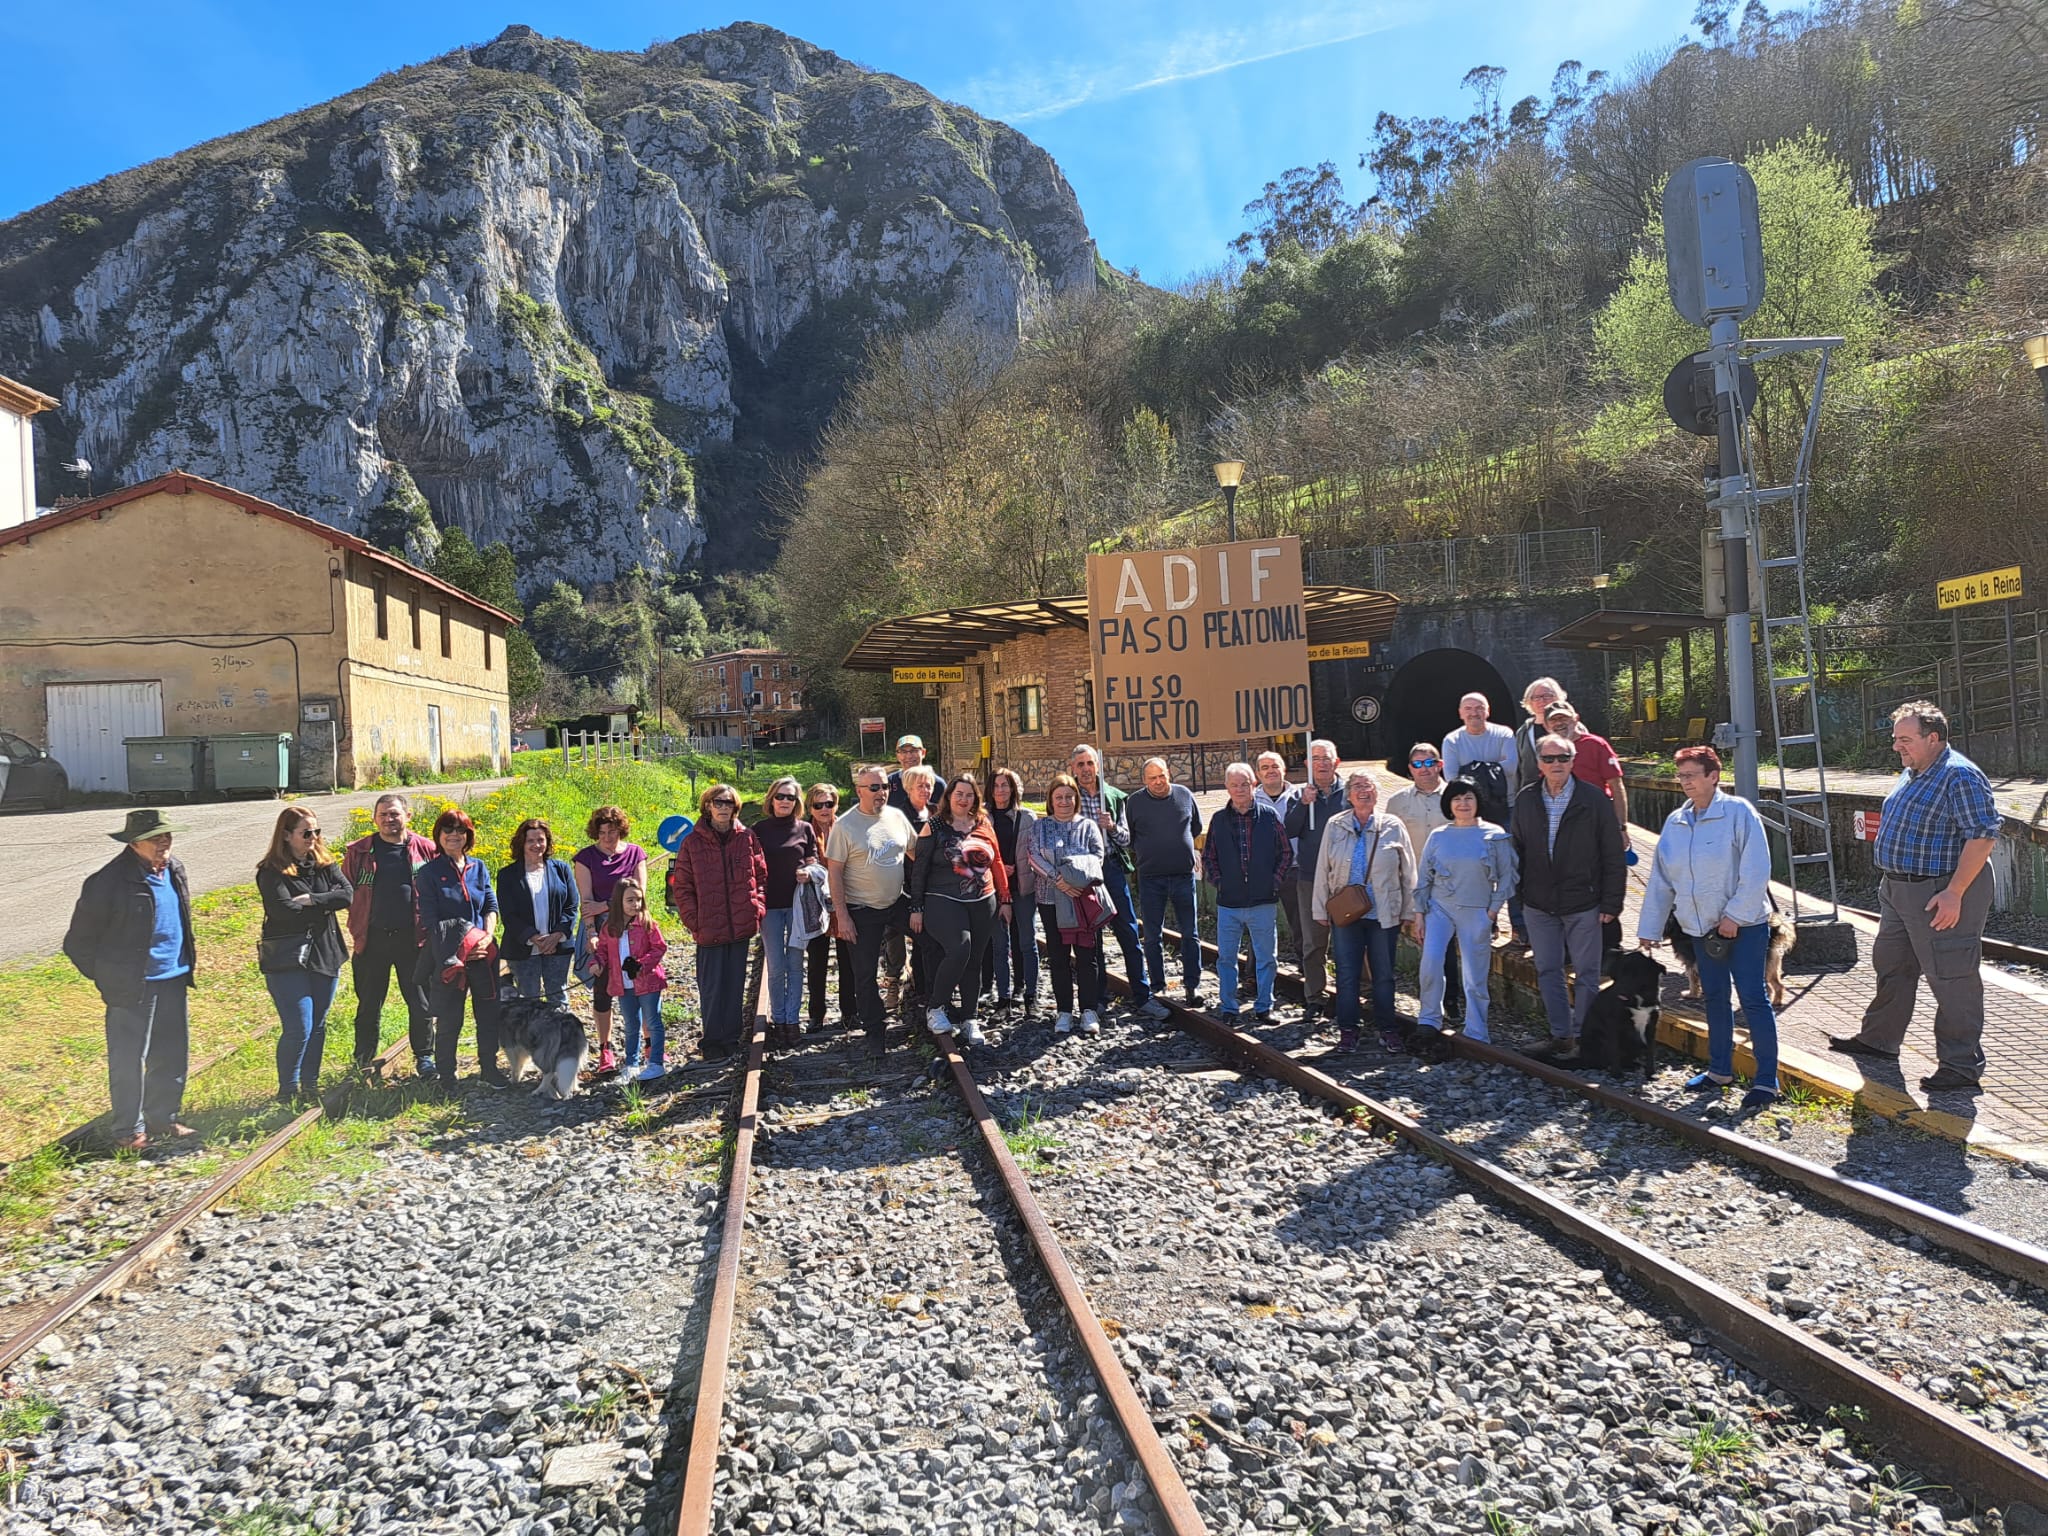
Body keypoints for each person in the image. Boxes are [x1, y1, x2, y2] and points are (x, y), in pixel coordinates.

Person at [1829, 700, 2002, 1091]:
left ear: (1934, 738)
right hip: (1899, 888)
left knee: (1952, 977)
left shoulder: (1960, 776)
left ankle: (1960, 1067)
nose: (1897, 747)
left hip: (1941, 890)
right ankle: (1879, 1041)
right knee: (1892, 965)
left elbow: (1983, 835)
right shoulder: (1915, 770)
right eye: (1896, 739)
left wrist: (1955, 893)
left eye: (1905, 739)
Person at [1637, 746, 1779, 1109]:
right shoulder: (1675, 822)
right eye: (1680, 775)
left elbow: (1756, 869)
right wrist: (1649, 927)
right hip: (1699, 928)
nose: (1684, 782)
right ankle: (1719, 1070)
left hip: (1744, 925)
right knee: (1714, 998)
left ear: (1713, 776)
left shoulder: (1738, 813)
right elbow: (1661, 880)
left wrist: (1734, 916)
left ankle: (1766, 1081)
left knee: (1752, 999)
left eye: (1691, 775)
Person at [63, 810, 198, 1150]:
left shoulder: (174, 869)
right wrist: (110, 978)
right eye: (157, 837)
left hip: (173, 977)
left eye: (167, 835)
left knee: (171, 1052)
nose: (164, 842)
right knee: (128, 1058)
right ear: (135, 843)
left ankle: (162, 1117)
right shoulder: (108, 882)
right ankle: (127, 1131)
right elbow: (77, 944)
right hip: (132, 985)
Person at [1510, 732, 1626, 1053]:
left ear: (1573, 762)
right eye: (1549, 758)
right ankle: (1561, 1035)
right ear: (1539, 764)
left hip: (1584, 901)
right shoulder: (1526, 799)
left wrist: (1611, 902)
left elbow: (1613, 855)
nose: (1556, 764)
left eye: (1563, 758)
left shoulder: (1594, 800)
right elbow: (1516, 851)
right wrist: (1520, 897)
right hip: (1538, 903)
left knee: (1587, 973)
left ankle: (1586, 1038)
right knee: (1548, 969)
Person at [1310, 772, 1417, 1051]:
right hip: (1346, 914)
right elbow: (1323, 868)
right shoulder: (1336, 825)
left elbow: (1409, 872)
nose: (1363, 791)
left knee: (1383, 974)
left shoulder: (1393, 825)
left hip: (1383, 912)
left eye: (1368, 786)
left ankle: (1387, 1028)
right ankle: (1348, 1030)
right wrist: (1319, 907)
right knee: (1347, 973)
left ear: (1377, 793)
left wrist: (1411, 909)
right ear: (1348, 794)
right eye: (1357, 787)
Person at [255, 807, 353, 1105]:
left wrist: (312, 899)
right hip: (287, 957)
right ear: (286, 835)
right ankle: (288, 1089)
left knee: (318, 1023)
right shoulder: (270, 871)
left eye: (316, 832)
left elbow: (347, 894)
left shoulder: (324, 863)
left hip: (325, 952)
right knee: (299, 1026)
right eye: (306, 833)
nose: (313, 838)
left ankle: (310, 1085)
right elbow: (283, 912)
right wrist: (326, 904)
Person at [1412, 779, 1518, 1050]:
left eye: (1468, 798)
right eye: (1457, 799)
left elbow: (1508, 877)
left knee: (1474, 974)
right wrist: (1420, 914)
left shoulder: (1495, 834)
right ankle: (1429, 1019)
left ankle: (1476, 1030)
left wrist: (1493, 912)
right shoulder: (1438, 836)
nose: (1463, 804)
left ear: (1478, 801)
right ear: (1449, 804)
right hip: (1439, 909)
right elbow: (1424, 877)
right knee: (1431, 962)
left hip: (1477, 910)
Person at [909, 774, 1013, 1047]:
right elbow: (918, 869)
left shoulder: (983, 823)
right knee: (960, 948)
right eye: (959, 794)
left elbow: (997, 861)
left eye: (969, 795)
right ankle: (936, 1007)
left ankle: (970, 1018)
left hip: (983, 900)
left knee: (975, 960)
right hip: (943, 898)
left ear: (975, 798)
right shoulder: (934, 826)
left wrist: (1005, 899)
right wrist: (916, 907)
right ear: (949, 797)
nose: (964, 799)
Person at [670, 783, 768, 1061]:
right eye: (718, 802)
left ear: (735, 807)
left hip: (739, 925)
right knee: (712, 986)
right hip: (708, 927)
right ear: (708, 806)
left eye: (728, 803)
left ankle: (732, 1038)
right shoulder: (693, 842)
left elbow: (761, 876)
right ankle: (712, 1041)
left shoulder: (746, 838)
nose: (723, 808)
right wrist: (693, 921)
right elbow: (682, 886)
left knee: (735, 984)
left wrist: (756, 909)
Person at [342, 793, 436, 1076]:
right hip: (373, 939)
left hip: (413, 939)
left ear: (408, 816)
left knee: (420, 1002)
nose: (388, 819)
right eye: (382, 814)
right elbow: (344, 889)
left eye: (394, 814)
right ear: (375, 819)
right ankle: (363, 1058)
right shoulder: (359, 851)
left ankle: (425, 1057)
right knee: (369, 1002)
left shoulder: (426, 848)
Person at [827, 767, 917, 1056]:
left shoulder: (897, 817)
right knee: (864, 973)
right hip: (861, 908)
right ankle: (875, 1031)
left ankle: (924, 1002)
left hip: (896, 902)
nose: (881, 793)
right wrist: (842, 916)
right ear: (859, 791)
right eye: (874, 788)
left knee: (934, 940)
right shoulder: (845, 826)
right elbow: (835, 873)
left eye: (884, 787)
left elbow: (918, 853)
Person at [414, 808, 502, 1089]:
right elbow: (430, 919)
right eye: (448, 830)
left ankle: (489, 1068)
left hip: (483, 953)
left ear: (468, 836)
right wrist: (465, 946)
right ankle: (447, 1076)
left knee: (488, 1013)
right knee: (450, 1017)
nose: (454, 835)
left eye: (460, 830)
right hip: (448, 955)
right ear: (438, 836)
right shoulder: (428, 873)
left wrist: (487, 936)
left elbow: (490, 904)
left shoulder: (479, 867)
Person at [1202, 763, 1294, 1024]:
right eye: (1235, 785)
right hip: (1229, 904)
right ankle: (1229, 1007)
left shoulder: (1268, 816)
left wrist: (1273, 882)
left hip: (1262, 901)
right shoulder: (1219, 819)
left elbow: (1286, 853)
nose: (1240, 789)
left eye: (1245, 784)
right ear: (1227, 788)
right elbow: (1209, 857)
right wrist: (1219, 882)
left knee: (1267, 958)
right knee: (1226, 959)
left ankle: (1265, 1006)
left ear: (1254, 785)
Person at [1070, 744, 1155, 1015]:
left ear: (1097, 765)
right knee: (1092, 938)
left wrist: (1112, 827)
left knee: (1128, 932)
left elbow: (1128, 839)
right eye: (1080, 765)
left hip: (1112, 869)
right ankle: (1099, 998)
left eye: (1089, 763)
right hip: (1086, 874)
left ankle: (1143, 995)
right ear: (1073, 768)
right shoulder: (1069, 796)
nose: (1085, 769)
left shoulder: (1114, 796)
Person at [1028, 773, 1109, 1035]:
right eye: (1059, 797)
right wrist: (1058, 880)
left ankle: (1088, 1010)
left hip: (1083, 900)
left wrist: (1079, 883)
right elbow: (1033, 856)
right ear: (1051, 800)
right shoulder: (1040, 827)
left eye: (1069, 796)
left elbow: (1098, 855)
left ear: (1076, 798)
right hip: (1051, 899)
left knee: (1087, 956)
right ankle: (1064, 1010)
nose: (1064, 801)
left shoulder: (1088, 826)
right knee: (1059, 956)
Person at [1386, 741, 1461, 1021]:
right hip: (1416, 885)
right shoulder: (1397, 802)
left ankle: (1451, 1000)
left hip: (1453, 883)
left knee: (1450, 945)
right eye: (1418, 764)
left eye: (1430, 763)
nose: (1424, 769)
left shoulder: (1457, 796)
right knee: (1428, 945)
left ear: (1440, 765)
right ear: (1410, 769)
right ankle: (1430, 1001)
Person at [576, 806, 648, 1073]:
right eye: (602, 832)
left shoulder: (635, 853)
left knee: (641, 984)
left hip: (634, 928)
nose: (607, 837)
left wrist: (605, 905)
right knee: (603, 989)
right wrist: (592, 934)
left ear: (621, 830)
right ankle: (606, 1049)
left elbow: (640, 897)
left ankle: (649, 1043)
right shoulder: (585, 858)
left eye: (612, 831)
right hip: (602, 933)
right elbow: (586, 903)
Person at [1127, 756, 1203, 1008]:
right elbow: (1129, 837)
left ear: (1169, 773)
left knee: (1189, 934)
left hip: (1183, 876)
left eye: (1162, 776)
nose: (1158, 782)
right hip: (1150, 878)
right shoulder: (1135, 802)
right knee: (1152, 935)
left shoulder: (1184, 794)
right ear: (1143, 780)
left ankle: (1192, 985)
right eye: (1152, 778)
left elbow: (1195, 828)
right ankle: (1158, 985)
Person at [755, 775, 820, 1047]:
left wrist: (808, 870)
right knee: (776, 965)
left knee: (795, 964)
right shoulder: (758, 829)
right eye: (780, 796)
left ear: (797, 802)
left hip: (797, 906)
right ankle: (778, 1019)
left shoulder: (805, 829)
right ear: (771, 799)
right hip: (769, 907)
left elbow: (813, 860)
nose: (784, 801)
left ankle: (792, 1021)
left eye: (790, 797)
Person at [1284, 739, 1346, 1019]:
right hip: (1310, 878)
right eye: (1316, 758)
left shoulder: (1349, 792)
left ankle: (1355, 993)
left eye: (1326, 758)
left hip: (1345, 879)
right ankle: (1315, 997)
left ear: (1337, 762)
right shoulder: (1299, 795)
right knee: (1313, 942)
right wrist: (1302, 805)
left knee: (1350, 939)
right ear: (1308, 765)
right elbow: (1289, 830)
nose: (1321, 763)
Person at [1506, 679, 1565, 946]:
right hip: (1533, 808)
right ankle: (1529, 926)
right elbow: (1518, 773)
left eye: (1548, 695)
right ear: (1529, 703)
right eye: (1537, 697)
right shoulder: (1524, 732)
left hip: (1566, 807)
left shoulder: (1570, 725)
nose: (1543, 700)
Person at [594, 877, 670, 1080]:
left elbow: (659, 947)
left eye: (638, 900)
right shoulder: (609, 927)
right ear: (619, 901)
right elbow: (601, 949)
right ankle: (631, 1064)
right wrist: (597, 963)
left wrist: (641, 964)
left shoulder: (647, 924)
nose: (635, 904)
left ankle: (655, 1063)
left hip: (648, 983)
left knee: (653, 1022)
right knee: (630, 1024)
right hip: (623, 984)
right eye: (630, 900)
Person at [495, 818, 577, 1003]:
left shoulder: (561, 869)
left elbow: (571, 906)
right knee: (528, 1000)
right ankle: (531, 1034)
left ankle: (559, 1032)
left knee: (558, 998)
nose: (536, 845)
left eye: (540, 840)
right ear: (521, 843)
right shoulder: (507, 875)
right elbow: (508, 914)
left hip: (558, 946)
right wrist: (534, 938)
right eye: (530, 840)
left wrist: (556, 935)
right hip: (523, 948)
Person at [985, 768, 1040, 1015]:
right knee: (1000, 944)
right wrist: (996, 869)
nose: (1000, 790)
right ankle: (1003, 998)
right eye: (996, 785)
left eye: (1005, 785)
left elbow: (1035, 850)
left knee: (1027, 942)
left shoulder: (1027, 817)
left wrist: (1017, 867)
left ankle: (1029, 994)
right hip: (994, 889)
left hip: (1023, 887)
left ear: (1013, 788)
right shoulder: (982, 817)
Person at [886, 763, 940, 1012]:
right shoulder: (898, 816)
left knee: (929, 939)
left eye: (928, 785)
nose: (926, 790)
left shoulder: (937, 813)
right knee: (916, 936)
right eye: (920, 785)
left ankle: (929, 989)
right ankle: (914, 986)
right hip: (905, 887)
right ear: (908, 788)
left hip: (935, 887)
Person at [803, 783, 857, 1032]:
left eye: (829, 804)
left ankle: (850, 1012)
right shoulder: (803, 831)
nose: (824, 809)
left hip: (845, 901)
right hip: (816, 905)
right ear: (810, 807)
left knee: (849, 961)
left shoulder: (846, 826)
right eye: (818, 804)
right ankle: (816, 1014)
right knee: (816, 962)